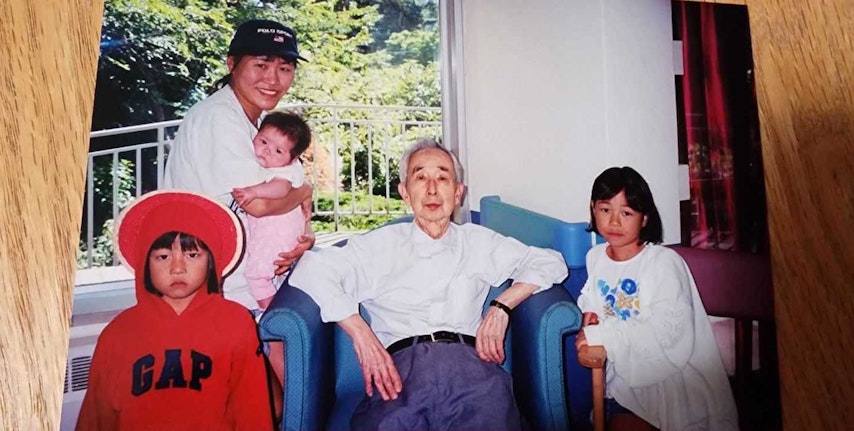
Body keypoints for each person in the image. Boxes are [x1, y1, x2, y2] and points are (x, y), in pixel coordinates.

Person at [287, 139, 568, 430]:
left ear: (458, 193)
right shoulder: (377, 246)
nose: (432, 189)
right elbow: (311, 268)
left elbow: (551, 262)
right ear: (405, 193)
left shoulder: (477, 241)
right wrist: (360, 331)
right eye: (420, 177)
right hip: (397, 376)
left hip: (473, 371)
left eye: (443, 178)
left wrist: (502, 306)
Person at [163, 19, 313, 407]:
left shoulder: (260, 123)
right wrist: (305, 192)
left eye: (284, 67)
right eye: (261, 64)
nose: (273, 78)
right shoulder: (220, 118)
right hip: (211, 284)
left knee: (281, 393)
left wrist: (303, 230)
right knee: (262, 402)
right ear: (232, 63)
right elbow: (259, 204)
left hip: (238, 274)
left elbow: (286, 182)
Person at [76, 190, 273, 430]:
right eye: (162, 256)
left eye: (192, 254)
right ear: (144, 263)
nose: (177, 268)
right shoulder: (118, 334)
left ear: (211, 261)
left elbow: (254, 411)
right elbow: (96, 416)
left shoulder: (236, 322)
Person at [574, 167, 739, 431]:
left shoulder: (663, 264)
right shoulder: (596, 256)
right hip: (626, 377)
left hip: (673, 380)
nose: (614, 222)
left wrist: (604, 335)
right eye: (605, 210)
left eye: (626, 213)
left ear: (645, 218)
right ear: (593, 208)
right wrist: (590, 313)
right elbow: (592, 295)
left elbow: (667, 334)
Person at [230, 111, 312, 311]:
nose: (266, 151)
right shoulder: (281, 164)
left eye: (278, 151)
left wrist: (253, 191)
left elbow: (281, 188)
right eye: (264, 141)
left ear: (293, 159)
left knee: (257, 275)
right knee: (273, 274)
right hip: (279, 229)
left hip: (276, 231)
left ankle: (272, 315)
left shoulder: (285, 171)